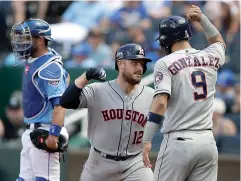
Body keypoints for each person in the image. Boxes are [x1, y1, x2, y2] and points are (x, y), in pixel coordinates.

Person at [142, 5, 226, 181]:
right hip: (207, 142)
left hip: (179, 142)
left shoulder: (165, 63)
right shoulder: (210, 56)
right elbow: (219, 41)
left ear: (165, 39)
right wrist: (202, 19)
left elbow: (160, 103)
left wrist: (146, 139)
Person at [60, 43, 154, 181]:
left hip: (135, 164)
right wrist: (86, 76)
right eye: (134, 63)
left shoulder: (151, 95)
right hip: (99, 163)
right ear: (120, 64)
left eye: (142, 63)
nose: (140, 68)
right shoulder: (98, 90)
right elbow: (66, 102)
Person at [10, 18, 69, 181]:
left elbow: (60, 106)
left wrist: (53, 135)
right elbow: (68, 78)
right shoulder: (34, 61)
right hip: (31, 130)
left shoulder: (49, 67)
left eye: (26, 38)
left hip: (45, 131)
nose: (22, 42)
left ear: (41, 40)